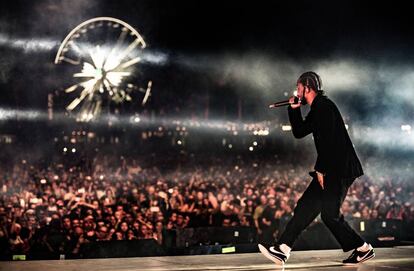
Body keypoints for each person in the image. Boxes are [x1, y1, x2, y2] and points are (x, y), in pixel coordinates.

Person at [259, 71, 375, 266]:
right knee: (305, 207)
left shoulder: (324, 107)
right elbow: (300, 132)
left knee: (330, 215)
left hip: (339, 169)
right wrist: (294, 109)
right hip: (331, 166)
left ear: (307, 88)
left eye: (298, 88)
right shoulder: (317, 108)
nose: (297, 91)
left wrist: (321, 170)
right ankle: (283, 249)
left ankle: (363, 249)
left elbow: (329, 142)